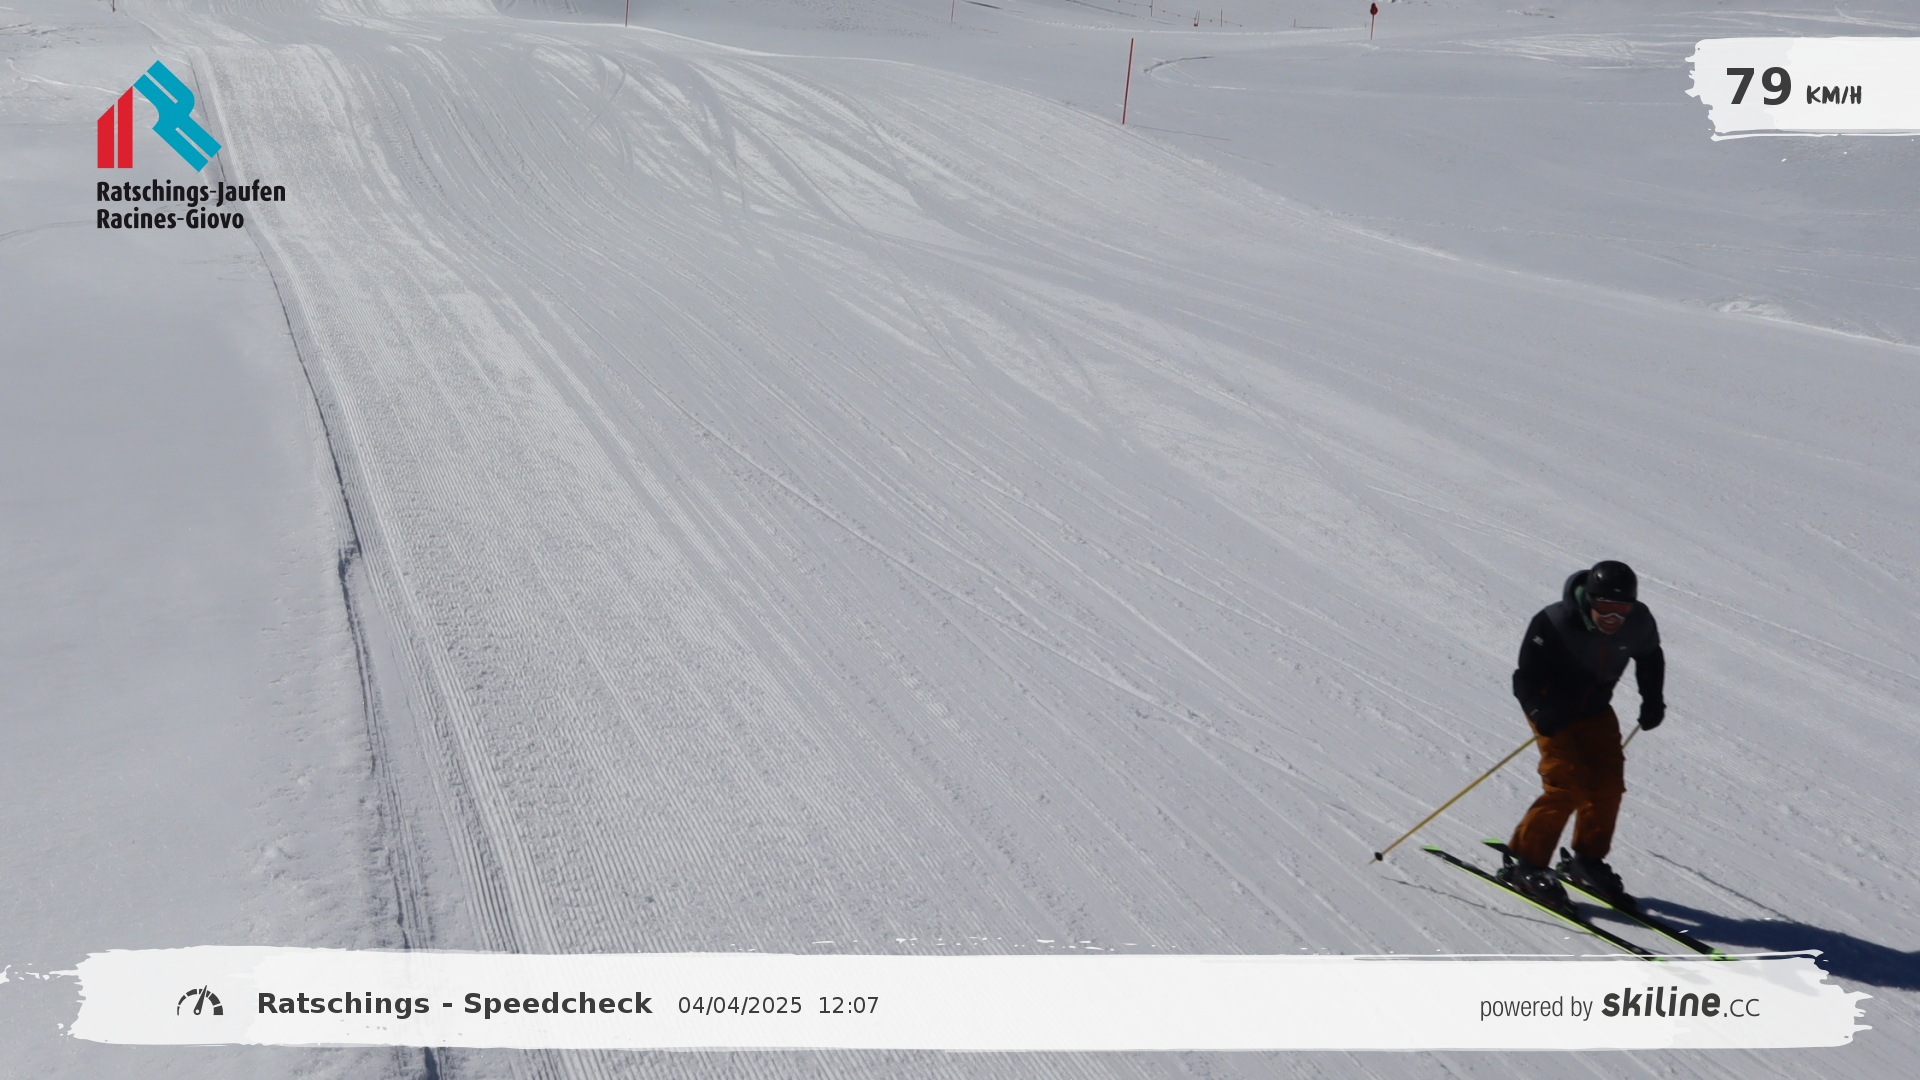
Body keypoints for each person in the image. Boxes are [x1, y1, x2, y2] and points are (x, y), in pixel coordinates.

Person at [1498, 560, 1665, 911]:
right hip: (1551, 708)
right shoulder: (1554, 622)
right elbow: (1524, 677)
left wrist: (1652, 699)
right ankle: (1527, 864)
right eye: (1605, 606)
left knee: (1607, 786)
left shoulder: (1638, 622)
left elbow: (1650, 656)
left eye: (1622, 608)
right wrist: (1540, 712)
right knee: (1567, 784)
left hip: (1595, 709)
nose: (1613, 617)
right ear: (1589, 599)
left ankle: (1587, 860)